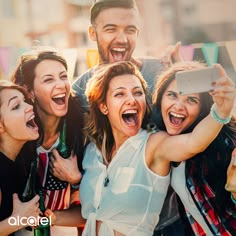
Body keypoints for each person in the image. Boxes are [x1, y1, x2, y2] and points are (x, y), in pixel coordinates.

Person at [76, 60, 234, 235]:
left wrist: (222, 110)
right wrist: (49, 217)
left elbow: (194, 142)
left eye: (137, 93)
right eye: (120, 94)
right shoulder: (92, 152)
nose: (131, 100)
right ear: (103, 106)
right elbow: (90, 215)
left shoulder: (156, 144)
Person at [70, 1, 184, 234]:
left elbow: (196, 123)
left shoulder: (162, 72)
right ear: (93, 33)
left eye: (130, 30)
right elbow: (85, 159)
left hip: (170, 223)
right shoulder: (80, 91)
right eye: (111, 29)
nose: (122, 38)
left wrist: (184, 75)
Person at [152, 61, 236, 235]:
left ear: (202, 109)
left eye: (191, 100)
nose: (178, 105)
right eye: (172, 95)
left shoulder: (223, 144)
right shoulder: (161, 140)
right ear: (160, 99)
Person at [11, 48, 86, 236]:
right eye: (48, 79)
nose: (61, 84)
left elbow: (95, 211)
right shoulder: (16, 136)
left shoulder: (82, 133)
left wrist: (78, 179)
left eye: (63, 76)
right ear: (30, 92)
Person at [0, 80, 40, 236]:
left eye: (25, 102)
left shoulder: (21, 158)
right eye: (16, 106)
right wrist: (17, 220)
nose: (29, 107)